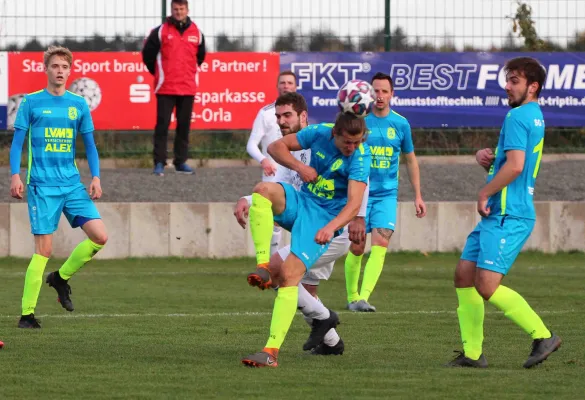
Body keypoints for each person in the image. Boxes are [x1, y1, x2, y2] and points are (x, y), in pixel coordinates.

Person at [447, 56, 561, 369]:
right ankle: (472, 355)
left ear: (532, 86)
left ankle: (543, 335)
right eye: (507, 80)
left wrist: (485, 190)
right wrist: (489, 156)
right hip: (500, 212)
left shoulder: (517, 117)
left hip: (508, 213)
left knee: (485, 285)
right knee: (464, 275)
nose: (507, 87)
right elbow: (512, 160)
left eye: (514, 81)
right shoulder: (532, 115)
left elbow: (516, 166)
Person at [234, 92, 370, 356]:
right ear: (336, 133)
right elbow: (279, 168)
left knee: (288, 277)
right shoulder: (314, 137)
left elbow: (357, 198)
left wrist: (352, 221)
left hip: (330, 226)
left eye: (287, 116)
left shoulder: (358, 156)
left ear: (302, 116)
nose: (282, 121)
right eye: (278, 116)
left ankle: (273, 349)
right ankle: (330, 339)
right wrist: (249, 199)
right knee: (263, 191)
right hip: (306, 211)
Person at [10, 46, 108, 329]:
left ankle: (60, 278)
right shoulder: (31, 103)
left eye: (64, 67)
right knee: (43, 250)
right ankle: (27, 315)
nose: (60, 71)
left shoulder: (78, 105)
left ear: (70, 70)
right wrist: (15, 176)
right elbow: (17, 143)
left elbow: (90, 145)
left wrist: (96, 177)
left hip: (72, 185)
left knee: (100, 236)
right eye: (54, 66)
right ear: (46, 69)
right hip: (42, 185)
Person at [344, 72, 426, 312]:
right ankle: (352, 296)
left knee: (381, 242)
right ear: (370, 94)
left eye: (384, 91)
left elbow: (410, 160)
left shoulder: (401, 124)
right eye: (376, 91)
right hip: (360, 194)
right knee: (357, 245)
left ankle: (363, 299)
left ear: (392, 95)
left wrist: (418, 195)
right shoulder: (360, 121)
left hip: (387, 195)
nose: (379, 96)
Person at [142, 0, 206, 176]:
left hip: (187, 87)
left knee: (183, 126)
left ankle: (180, 162)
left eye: (181, 9)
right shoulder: (161, 31)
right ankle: (159, 163)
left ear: (187, 10)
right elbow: (147, 55)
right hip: (166, 87)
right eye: (175, 9)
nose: (178, 12)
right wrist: (159, 73)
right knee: (162, 126)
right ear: (171, 10)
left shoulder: (197, 33)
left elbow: (200, 57)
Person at [246, 71, 298, 256]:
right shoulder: (266, 113)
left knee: (299, 218)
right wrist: (264, 160)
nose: (286, 86)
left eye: (290, 82)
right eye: (282, 82)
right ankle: (269, 262)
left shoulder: (300, 113)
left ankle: (295, 261)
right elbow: (251, 144)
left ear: (295, 86)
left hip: (297, 172)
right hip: (274, 173)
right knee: (275, 220)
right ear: (277, 87)